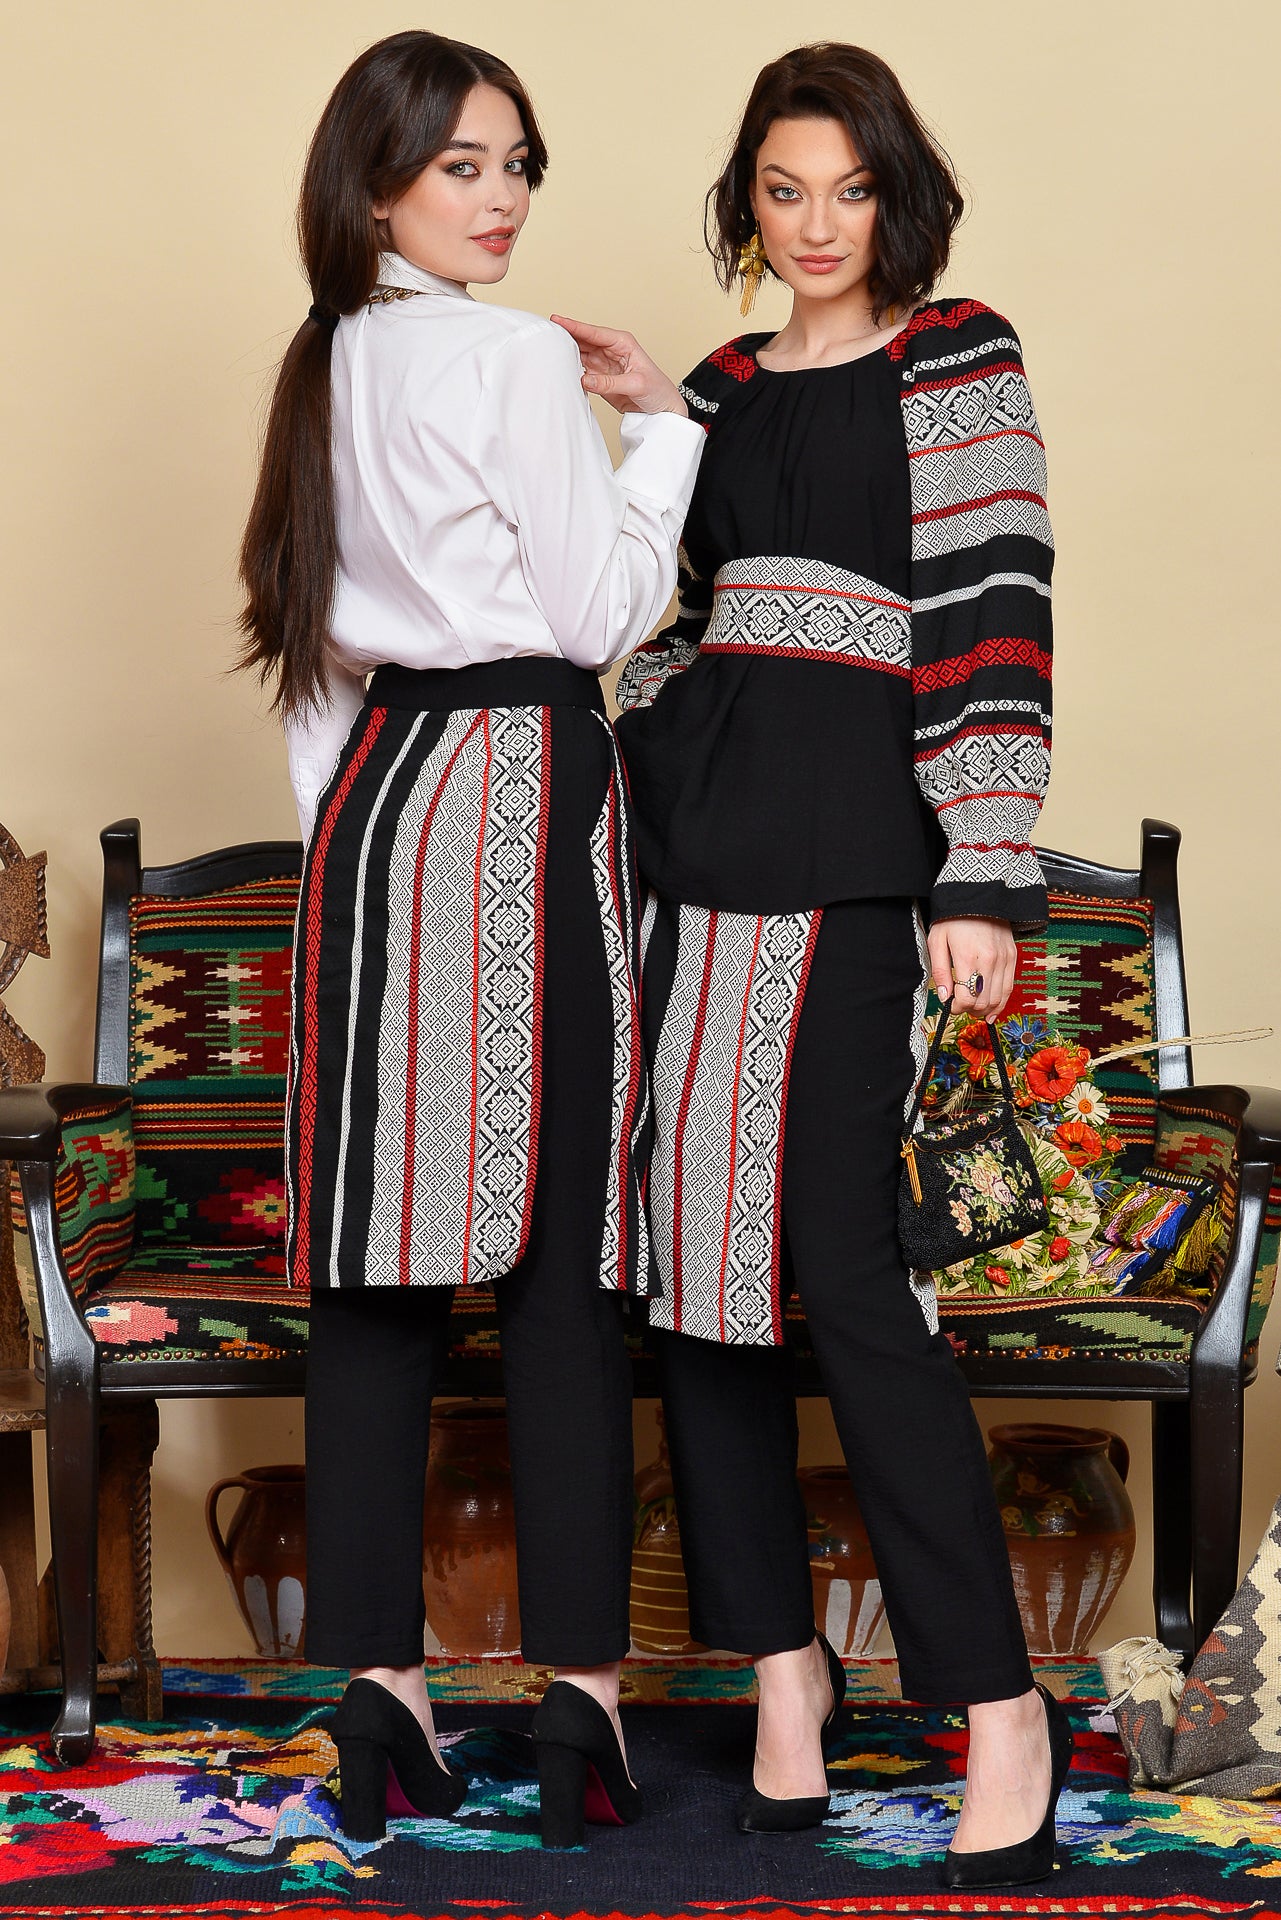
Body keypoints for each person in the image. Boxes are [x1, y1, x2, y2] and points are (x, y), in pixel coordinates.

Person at [558, 41, 1071, 1891]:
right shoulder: (716, 383)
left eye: (847, 189)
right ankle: (785, 1676)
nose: (816, 224)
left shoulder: (959, 354)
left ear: (895, 194)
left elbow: (995, 611)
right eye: (783, 192)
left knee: (851, 1286)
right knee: (697, 1290)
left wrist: (982, 871)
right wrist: (648, 429)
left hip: (866, 861)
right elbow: (660, 614)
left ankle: (996, 1704)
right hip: (689, 862)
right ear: (746, 205)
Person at [238, 29, 703, 1847]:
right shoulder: (504, 358)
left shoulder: (321, 362)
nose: (501, 198)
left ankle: (382, 1688)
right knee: (562, 1251)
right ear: (374, 187)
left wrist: (351, 853)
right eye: (463, 166)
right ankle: (580, 1697)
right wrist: (662, 438)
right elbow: (599, 612)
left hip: (374, 808)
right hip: (521, 770)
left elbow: (310, 664)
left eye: (518, 165)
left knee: (376, 1257)